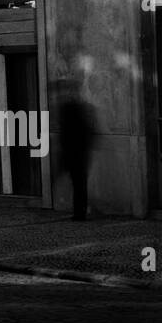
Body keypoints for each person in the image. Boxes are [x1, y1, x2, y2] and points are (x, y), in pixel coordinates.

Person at [55, 78, 96, 220]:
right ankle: (80, 212)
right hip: (79, 153)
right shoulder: (82, 109)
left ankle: (79, 213)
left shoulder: (69, 110)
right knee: (80, 184)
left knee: (78, 183)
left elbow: (66, 135)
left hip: (75, 153)